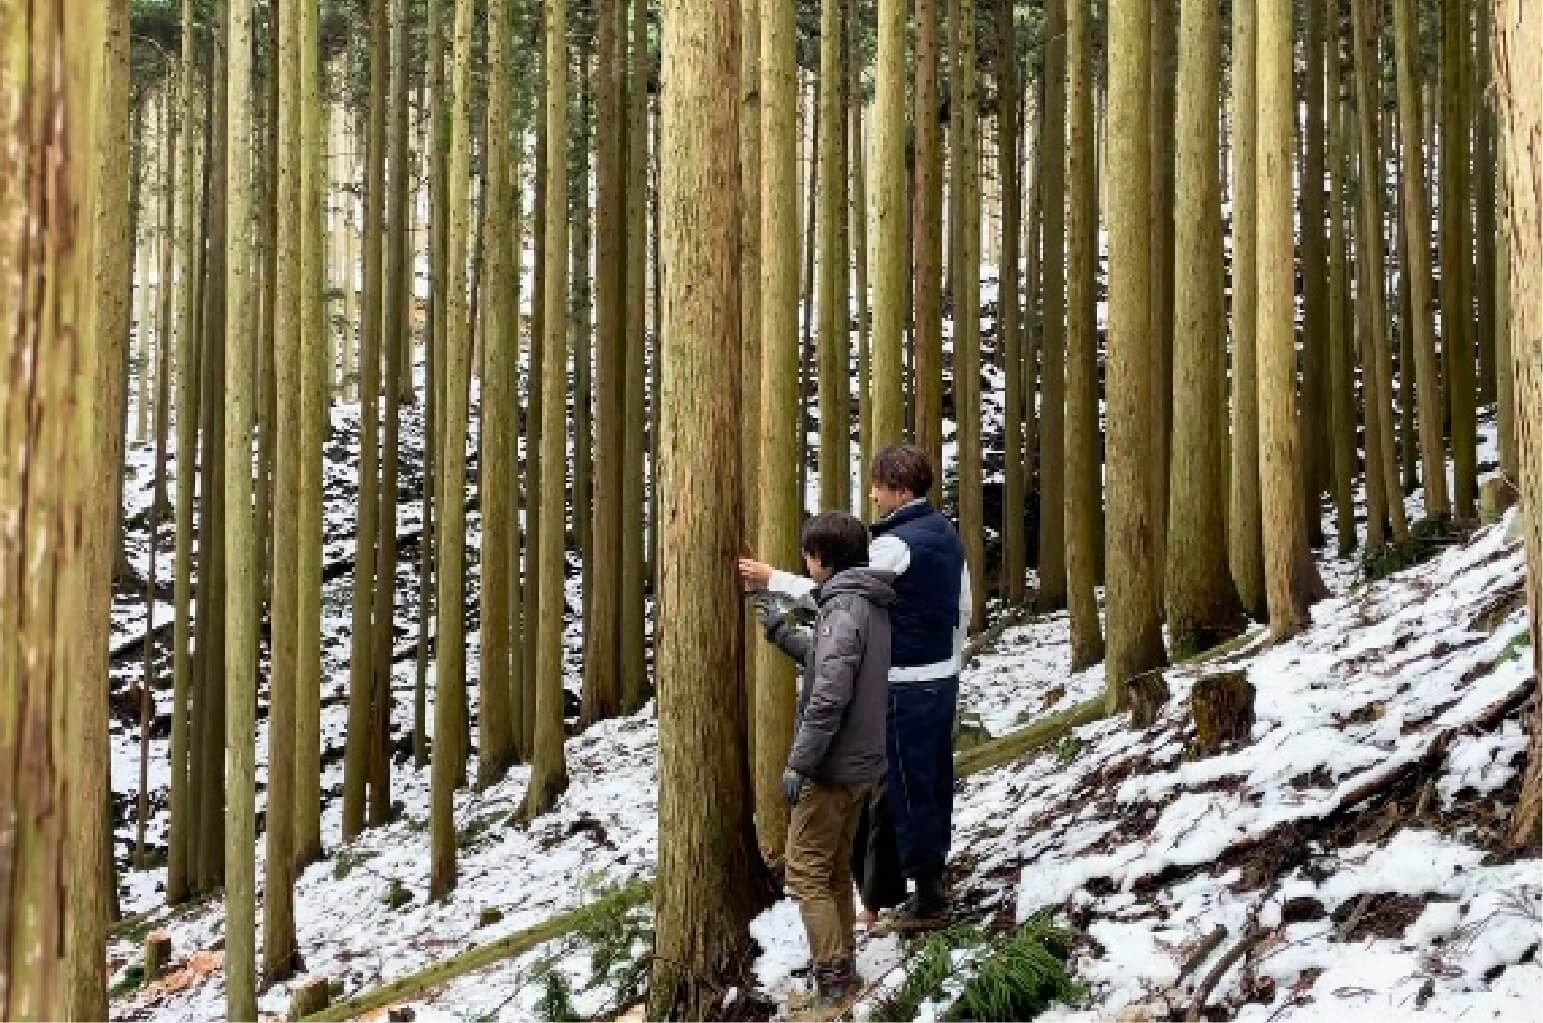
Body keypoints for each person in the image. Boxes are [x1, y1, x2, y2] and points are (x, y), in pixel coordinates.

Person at [741, 445, 970, 932]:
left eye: (879, 486)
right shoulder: (944, 533)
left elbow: (843, 594)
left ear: (900, 490)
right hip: (937, 678)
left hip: (908, 684)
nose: (873, 493)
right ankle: (897, 890)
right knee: (921, 785)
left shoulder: (896, 546)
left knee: (904, 791)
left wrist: (773, 580)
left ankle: (924, 897)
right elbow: (961, 607)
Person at [753, 511, 895, 1019]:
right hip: (860, 762)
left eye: (809, 554)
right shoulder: (865, 602)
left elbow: (830, 694)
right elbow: (831, 660)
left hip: (832, 765)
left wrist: (799, 762)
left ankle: (833, 983)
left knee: (806, 871)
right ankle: (844, 970)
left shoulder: (843, 610)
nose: (806, 562)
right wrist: (782, 634)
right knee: (833, 868)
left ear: (824, 559)